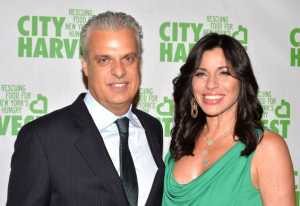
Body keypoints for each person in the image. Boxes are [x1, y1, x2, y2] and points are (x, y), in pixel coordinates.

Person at [6, 11, 164, 206]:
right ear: (85, 66)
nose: (119, 71)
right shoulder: (42, 139)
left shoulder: (152, 128)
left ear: (139, 62)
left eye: (128, 58)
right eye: (104, 60)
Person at [162, 33, 295, 205]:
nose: (211, 84)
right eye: (201, 74)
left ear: (242, 80)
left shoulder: (266, 148)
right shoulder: (181, 142)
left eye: (224, 73)